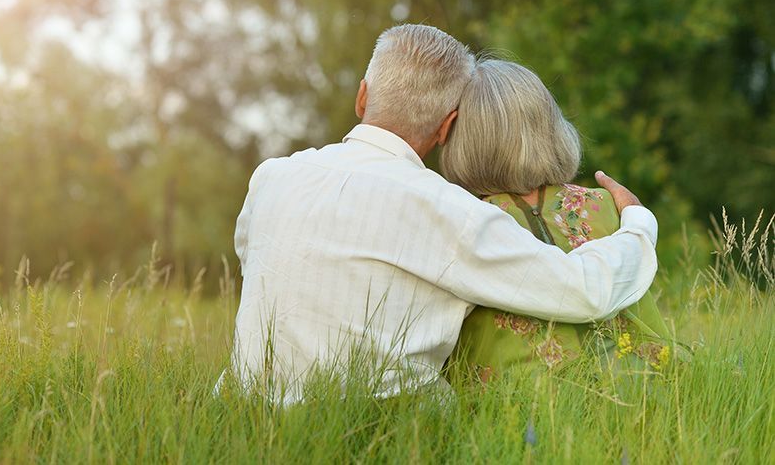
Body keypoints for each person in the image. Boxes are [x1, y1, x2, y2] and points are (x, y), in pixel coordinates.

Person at [221, 24, 658, 404]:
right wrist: (637, 221)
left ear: (362, 96)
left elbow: (256, 265)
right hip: (389, 428)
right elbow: (583, 291)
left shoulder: (270, 177)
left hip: (248, 413)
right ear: (448, 126)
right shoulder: (448, 210)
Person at [441, 59, 674, 380]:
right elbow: (651, 332)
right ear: (551, 128)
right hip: (635, 392)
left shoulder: (461, 221)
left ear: (462, 141)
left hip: (513, 403)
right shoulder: (607, 206)